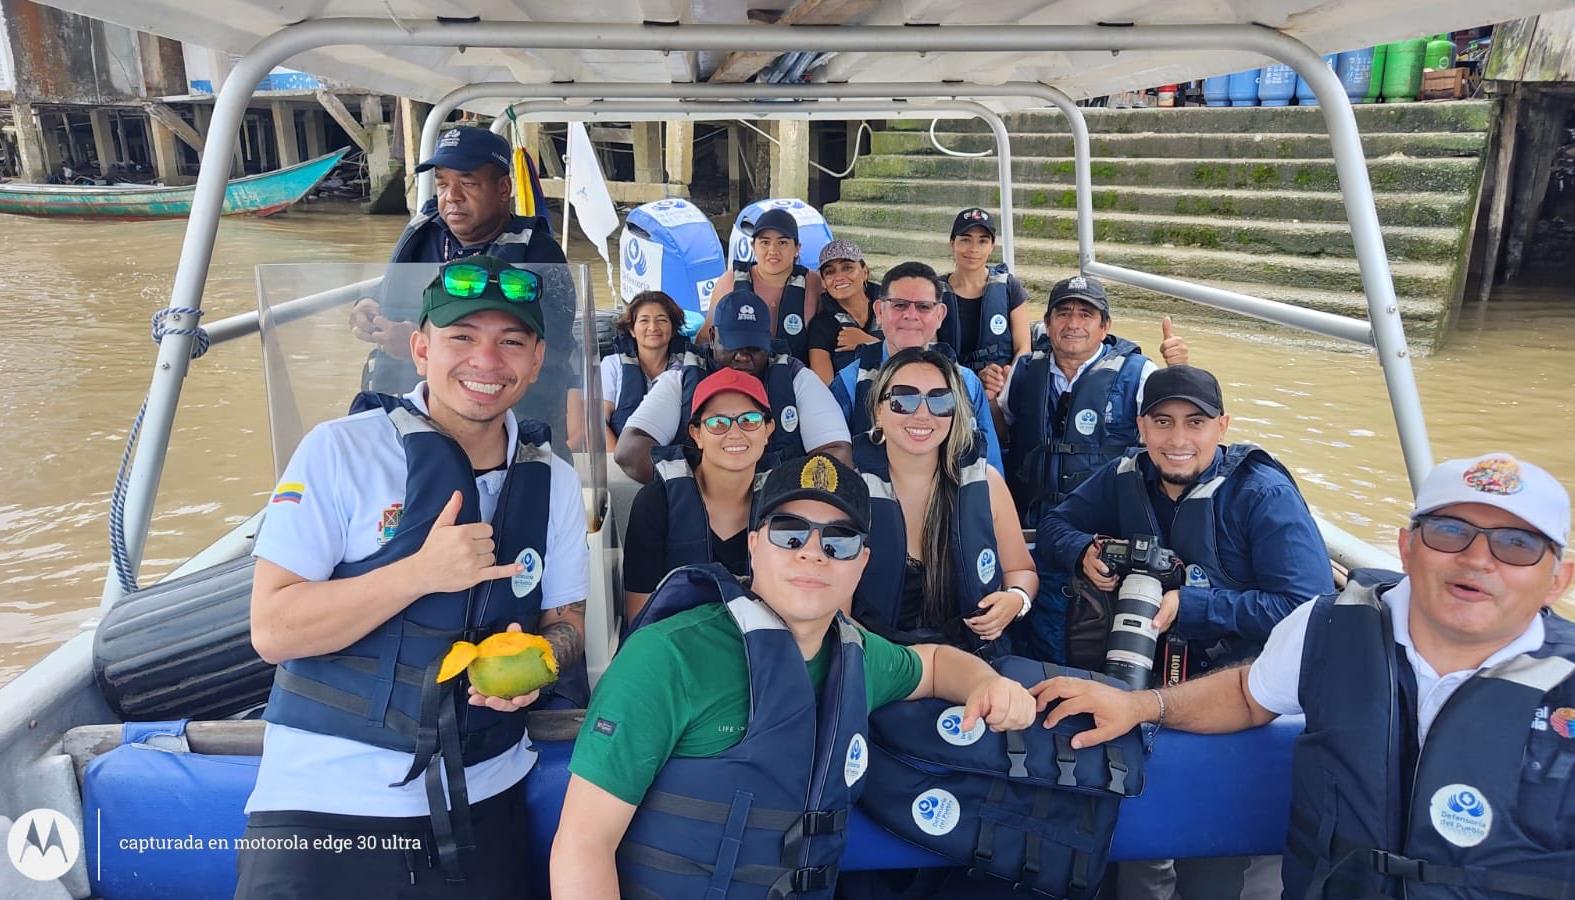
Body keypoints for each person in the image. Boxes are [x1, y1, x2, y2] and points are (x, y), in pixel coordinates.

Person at [1032, 452, 1575, 900]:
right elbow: (1248, 694)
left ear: (1557, 579)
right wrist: (1141, 705)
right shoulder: (1327, 627)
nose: (1477, 558)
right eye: (1450, 532)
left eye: (1517, 544)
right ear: (1408, 548)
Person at [238, 256, 589, 896]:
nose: (486, 361)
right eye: (462, 338)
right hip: (323, 801)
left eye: (510, 342)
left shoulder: (555, 482)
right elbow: (274, 628)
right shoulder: (338, 450)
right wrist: (419, 574)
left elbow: (565, 623)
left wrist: (539, 662)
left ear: (536, 361)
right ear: (421, 349)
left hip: (485, 797)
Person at [549, 453, 1039, 898]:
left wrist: (985, 684)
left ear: (862, 562)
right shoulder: (668, 657)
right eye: (789, 532)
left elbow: (932, 664)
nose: (812, 553)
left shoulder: (857, 655)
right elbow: (582, 846)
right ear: (754, 544)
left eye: (839, 540)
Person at [1036, 364, 1333, 900]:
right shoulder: (1127, 474)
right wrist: (1084, 551)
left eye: (1195, 423)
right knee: (1132, 840)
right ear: (1141, 428)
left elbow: (1307, 608)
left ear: (1222, 427)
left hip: (1240, 695)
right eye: (1163, 422)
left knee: (1213, 865)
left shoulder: (1261, 495)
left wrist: (1195, 606)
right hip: (1140, 678)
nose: (1177, 440)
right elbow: (1056, 524)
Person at [346, 126, 577, 449]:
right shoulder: (425, 234)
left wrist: (420, 350)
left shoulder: (537, 257)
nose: (451, 196)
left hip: (504, 428)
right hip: (410, 417)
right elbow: (393, 287)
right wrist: (367, 304)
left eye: (467, 183)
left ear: (503, 188)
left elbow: (547, 353)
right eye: (442, 183)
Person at [852, 347, 1037, 655]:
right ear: (878, 412)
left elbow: (1023, 571)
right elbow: (836, 610)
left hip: (973, 662)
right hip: (881, 665)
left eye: (940, 400)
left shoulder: (987, 483)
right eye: (903, 398)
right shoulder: (850, 492)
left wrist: (1016, 599)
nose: (922, 413)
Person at [999, 274, 1190, 525]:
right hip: (1030, 519)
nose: (1073, 324)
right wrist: (987, 395)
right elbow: (1003, 433)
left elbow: (1177, 439)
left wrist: (1180, 373)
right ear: (1047, 323)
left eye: (1086, 315)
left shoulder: (1139, 374)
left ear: (1105, 327)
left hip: (1105, 523)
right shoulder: (1023, 369)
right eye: (1063, 313)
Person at [614, 289, 851, 484]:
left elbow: (838, 451)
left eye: (754, 347)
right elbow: (629, 451)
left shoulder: (795, 378)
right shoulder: (681, 379)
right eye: (733, 346)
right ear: (712, 335)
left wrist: (785, 491)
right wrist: (698, 483)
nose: (742, 357)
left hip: (777, 512)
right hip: (700, 507)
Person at [622, 368, 775, 620]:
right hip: (678, 652)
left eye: (749, 420)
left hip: (764, 651)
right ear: (696, 434)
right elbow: (640, 618)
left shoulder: (786, 507)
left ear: (768, 430)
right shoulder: (655, 505)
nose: (735, 433)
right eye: (717, 423)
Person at [830, 260, 1003, 473]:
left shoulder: (966, 382)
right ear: (879, 311)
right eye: (899, 305)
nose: (911, 315)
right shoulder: (848, 384)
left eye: (923, 307)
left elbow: (991, 467)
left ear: (940, 315)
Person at [703, 207, 823, 362]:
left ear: (797, 249)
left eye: (782, 242)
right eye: (765, 242)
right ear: (753, 246)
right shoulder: (730, 281)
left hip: (795, 378)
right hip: (740, 376)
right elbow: (705, 338)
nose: (773, 250)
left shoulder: (814, 284)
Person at [939, 207, 1031, 389]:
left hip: (1000, 387)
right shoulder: (934, 291)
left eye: (982, 241)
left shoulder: (1010, 287)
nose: (973, 249)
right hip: (950, 387)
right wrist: (971, 381)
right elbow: (930, 349)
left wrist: (1006, 377)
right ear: (952, 243)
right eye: (965, 240)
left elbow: (1023, 348)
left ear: (992, 246)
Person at [599, 290, 698, 450]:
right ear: (632, 329)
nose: (653, 327)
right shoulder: (612, 365)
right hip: (621, 461)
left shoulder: (689, 368)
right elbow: (597, 422)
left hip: (677, 462)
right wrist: (620, 460)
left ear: (673, 329)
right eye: (644, 320)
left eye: (662, 320)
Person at [805, 238, 881, 383]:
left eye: (847, 268)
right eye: (829, 272)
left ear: (865, 272)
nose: (839, 277)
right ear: (823, 282)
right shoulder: (821, 325)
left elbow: (916, 358)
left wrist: (870, 343)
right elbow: (824, 384)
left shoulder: (893, 307)